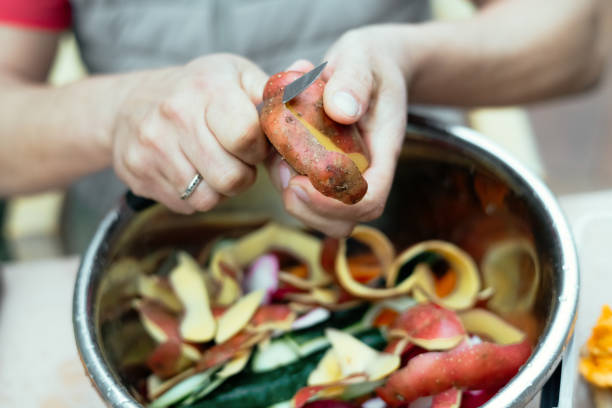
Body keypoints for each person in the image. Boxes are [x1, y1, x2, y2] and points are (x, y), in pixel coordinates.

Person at [0, 0, 607, 242]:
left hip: (414, 210)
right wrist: (118, 111)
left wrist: (407, 58)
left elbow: (584, 37)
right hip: (147, 236)